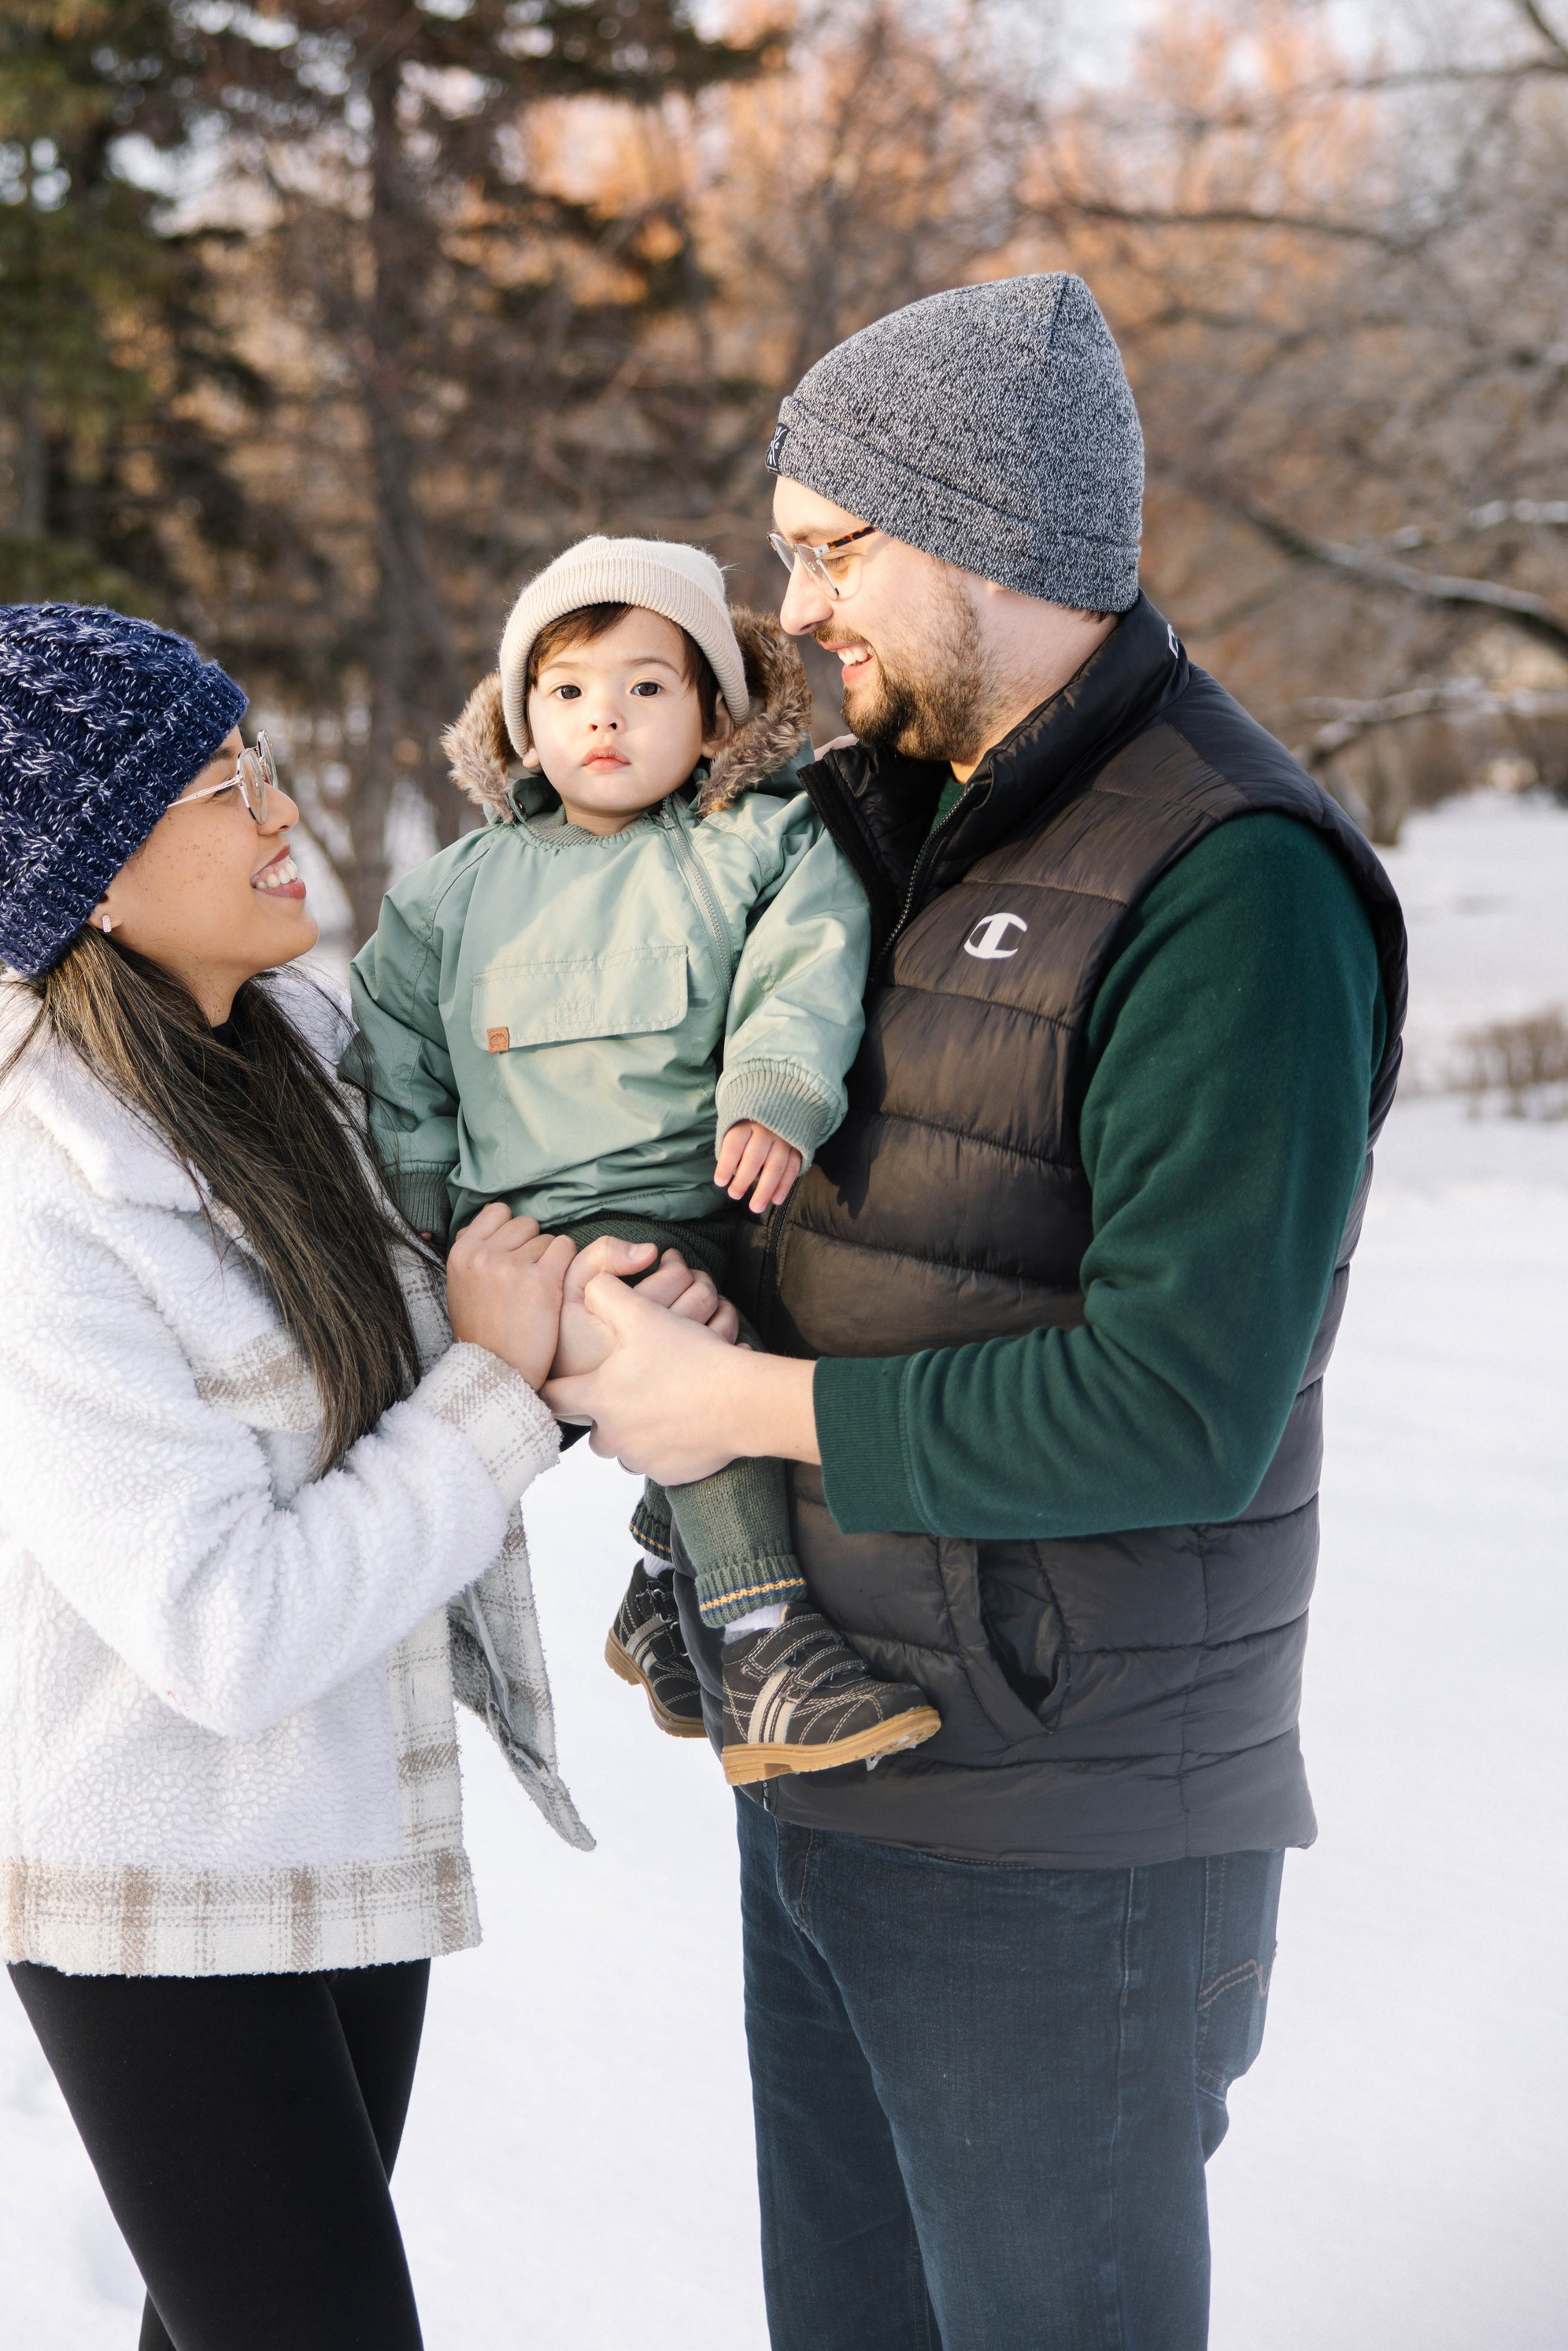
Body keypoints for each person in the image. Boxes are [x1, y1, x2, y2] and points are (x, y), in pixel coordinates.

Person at [549, 273, 1409, 2351]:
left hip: (1065, 1833)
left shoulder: (1231, 878)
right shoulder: (888, 819)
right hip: (836, 1768)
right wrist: (659, 1281)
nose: (800, 605)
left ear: (990, 541)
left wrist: (741, 1402)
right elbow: (893, 1215)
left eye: (833, 550)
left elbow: (1176, 1399)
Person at [0, 583, 719, 2351]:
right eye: (220, 780)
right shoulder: (32, 1218)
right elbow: (229, 1628)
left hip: (336, 1829)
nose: (278, 803)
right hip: (146, 1878)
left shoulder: (299, 1064)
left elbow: (422, 1369)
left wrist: (580, 1326)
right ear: (93, 871)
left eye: (255, 753)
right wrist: (501, 1390)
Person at [348, 534, 938, 1784]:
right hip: (546, 1244)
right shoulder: (452, 895)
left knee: (791, 1312)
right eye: (564, 690)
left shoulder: (756, 845)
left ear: (715, 711)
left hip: (732, 1191)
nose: (602, 715)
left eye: (646, 686)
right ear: (518, 720)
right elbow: (398, 1054)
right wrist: (425, 1212)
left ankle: (667, 1594)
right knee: (677, 1344)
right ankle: (761, 1639)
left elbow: (806, 964)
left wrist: (775, 1091)